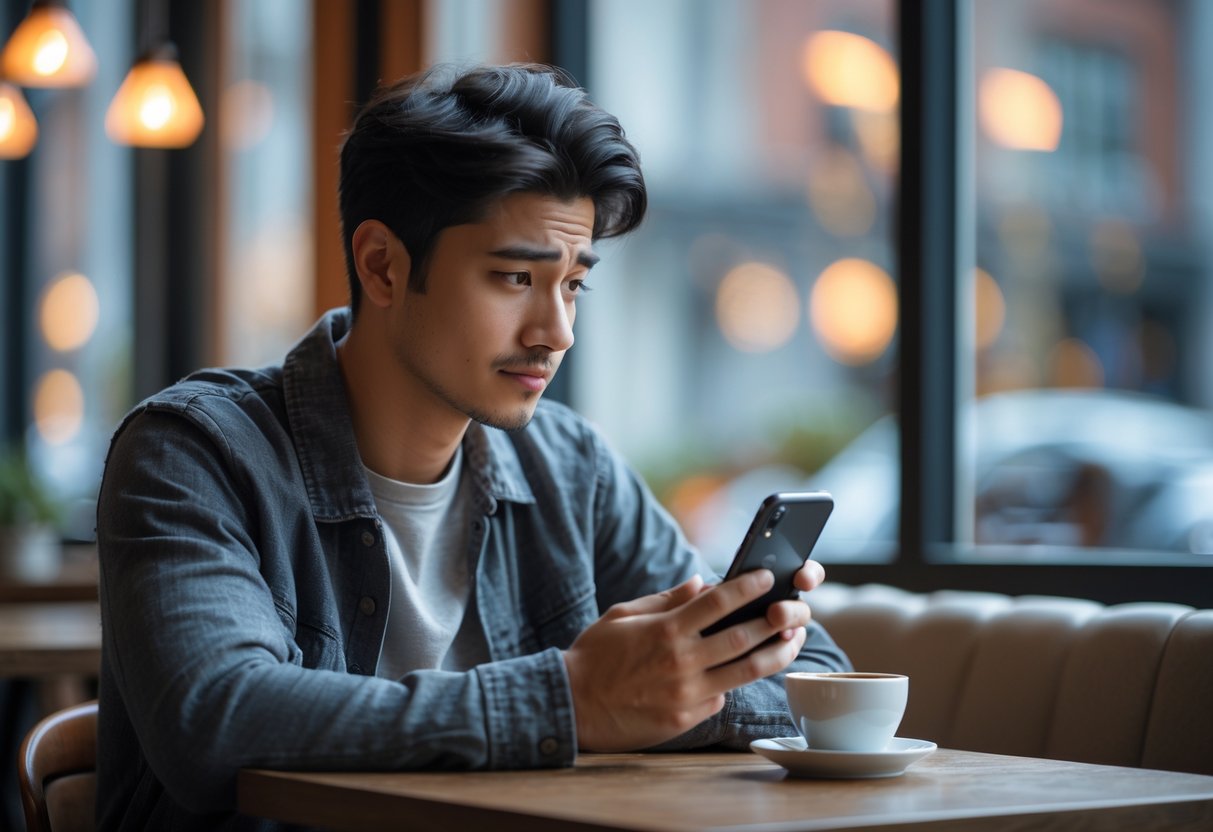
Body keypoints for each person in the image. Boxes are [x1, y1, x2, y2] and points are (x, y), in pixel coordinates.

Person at [95, 62, 851, 830]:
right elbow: (216, 719)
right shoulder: (194, 454)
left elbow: (818, 677)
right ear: (382, 266)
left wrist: (657, 690)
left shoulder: (570, 470)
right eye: (516, 278)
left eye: (572, 286)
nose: (555, 334)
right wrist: (573, 701)